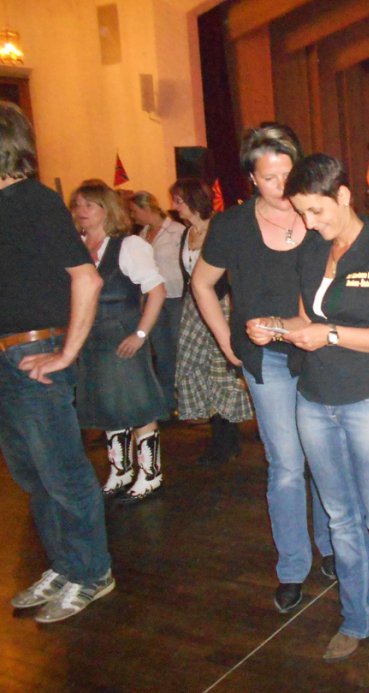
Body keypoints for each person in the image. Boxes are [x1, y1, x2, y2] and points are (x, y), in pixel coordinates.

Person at [248, 153, 369, 670]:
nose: (309, 222)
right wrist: (275, 326)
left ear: (343, 196)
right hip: (315, 401)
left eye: (316, 211)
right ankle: (355, 618)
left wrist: (332, 335)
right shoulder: (313, 250)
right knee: (341, 519)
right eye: (303, 212)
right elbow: (306, 320)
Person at [191, 123, 334, 614]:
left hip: (318, 352)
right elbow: (201, 283)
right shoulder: (232, 226)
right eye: (269, 177)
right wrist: (226, 340)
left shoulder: (316, 216)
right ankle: (293, 566)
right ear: (251, 178)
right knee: (287, 464)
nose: (281, 186)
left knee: (323, 456)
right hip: (267, 356)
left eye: (287, 174)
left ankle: (332, 547)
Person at [0, 101, 114, 623]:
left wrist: (67, 351)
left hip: (33, 351)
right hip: (8, 356)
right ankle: (66, 565)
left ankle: (92, 572)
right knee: (33, 475)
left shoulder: (34, 201)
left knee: (62, 471)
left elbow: (87, 278)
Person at [71, 179, 168, 503]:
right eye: (78, 205)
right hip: (91, 339)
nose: (81, 211)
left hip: (122, 336)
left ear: (106, 209)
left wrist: (140, 334)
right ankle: (121, 472)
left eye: (89, 205)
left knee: (137, 405)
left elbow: (157, 291)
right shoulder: (77, 247)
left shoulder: (128, 246)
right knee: (107, 407)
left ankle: (151, 474)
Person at [171, 178, 254, 465]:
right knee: (200, 372)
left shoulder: (219, 229)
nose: (175, 206)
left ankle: (228, 440)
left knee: (222, 373)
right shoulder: (187, 233)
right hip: (194, 309)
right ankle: (219, 437)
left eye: (179, 201)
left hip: (221, 305)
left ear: (194, 200)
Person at [129, 191, 184, 416]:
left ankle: (185, 399)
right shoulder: (142, 235)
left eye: (134, 211)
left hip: (176, 296)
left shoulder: (176, 231)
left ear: (146, 208)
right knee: (162, 352)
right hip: (153, 299)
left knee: (179, 349)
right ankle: (167, 402)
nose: (133, 216)